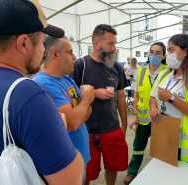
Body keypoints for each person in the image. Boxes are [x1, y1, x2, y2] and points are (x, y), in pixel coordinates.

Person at [0, 0, 84, 185]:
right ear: (23, 43)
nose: (44, 50)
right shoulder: (29, 95)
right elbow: (70, 180)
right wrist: (59, 130)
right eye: (43, 43)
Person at [71, 24, 128, 185]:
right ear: (97, 44)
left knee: (113, 166)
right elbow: (70, 96)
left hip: (112, 127)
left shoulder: (117, 67)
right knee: (87, 172)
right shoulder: (80, 66)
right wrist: (94, 93)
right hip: (87, 131)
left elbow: (121, 97)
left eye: (115, 43)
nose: (114, 48)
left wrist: (123, 125)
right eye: (111, 43)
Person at [34, 36, 95, 185]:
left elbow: (88, 113)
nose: (74, 57)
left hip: (79, 155)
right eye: (70, 52)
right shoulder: (43, 83)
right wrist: (86, 100)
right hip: (65, 163)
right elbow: (73, 122)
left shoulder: (67, 80)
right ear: (55, 54)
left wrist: (81, 109)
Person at [149, 34, 188, 165]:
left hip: (184, 145)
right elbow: (152, 97)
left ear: (185, 52)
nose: (168, 54)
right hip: (163, 136)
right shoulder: (165, 74)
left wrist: (171, 99)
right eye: (168, 51)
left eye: (171, 50)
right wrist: (153, 109)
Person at [124, 42, 167, 185]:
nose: (153, 55)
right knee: (138, 147)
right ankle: (132, 172)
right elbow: (136, 95)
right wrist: (135, 115)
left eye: (158, 53)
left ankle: (160, 176)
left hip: (161, 118)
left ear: (164, 56)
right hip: (143, 118)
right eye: (151, 52)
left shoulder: (168, 71)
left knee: (161, 149)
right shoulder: (140, 72)